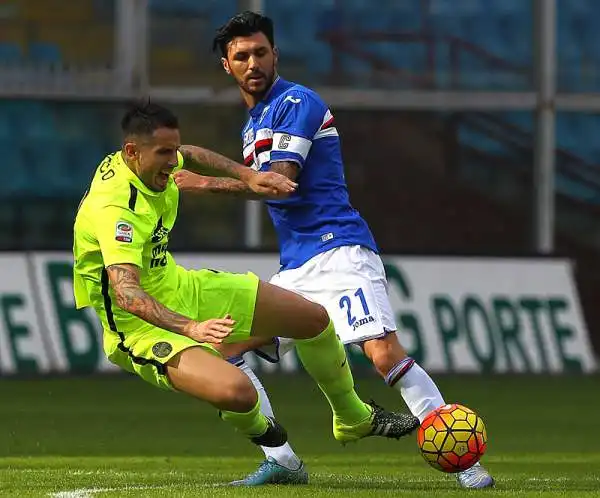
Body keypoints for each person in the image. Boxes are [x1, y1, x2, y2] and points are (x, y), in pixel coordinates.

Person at [174, 11, 495, 489]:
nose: (253, 63)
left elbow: (280, 182)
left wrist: (202, 180)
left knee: (382, 353)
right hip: (296, 266)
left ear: (275, 54)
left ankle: (467, 463)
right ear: (227, 66)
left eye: (261, 52)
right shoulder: (252, 124)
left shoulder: (297, 101)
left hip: (339, 250)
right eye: (241, 56)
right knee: (221, 349)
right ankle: (281, 459)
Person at [72, 102, 419, 470]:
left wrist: (249, 176)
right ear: (132, 152)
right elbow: (127, 294)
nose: (174, 162)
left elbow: (192, 155)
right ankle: (263, 431)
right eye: (164, 154)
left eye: (174, 150)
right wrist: (192, 329)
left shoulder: (143, 157)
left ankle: (353, 418)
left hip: (185, 288)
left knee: (313, 320)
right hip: (138, 328)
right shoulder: (114, 209)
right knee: (238, 392)